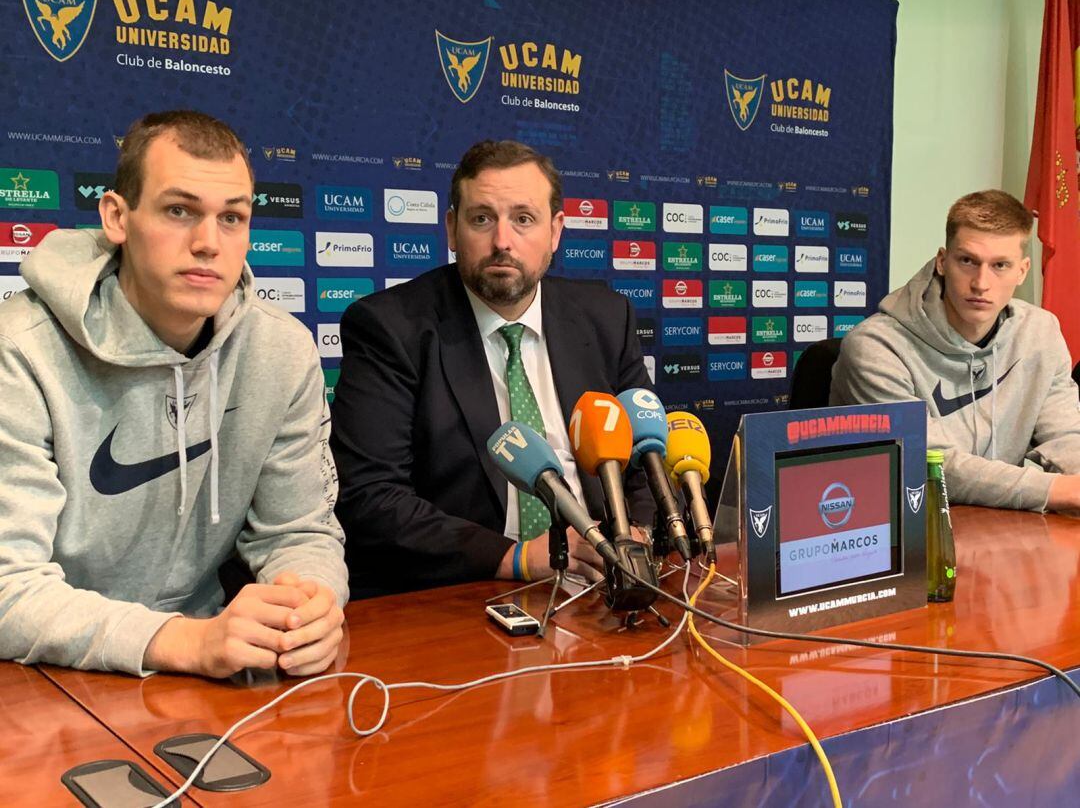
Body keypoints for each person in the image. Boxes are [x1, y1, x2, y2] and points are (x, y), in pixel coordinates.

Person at [0, 110, 347, 677]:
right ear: (118, 216)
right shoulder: (19, 347)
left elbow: (300, 532)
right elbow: (6, 587)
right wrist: (182, 640)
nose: (209, 243)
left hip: (206, 671)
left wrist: (309, 603)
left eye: (232, 217)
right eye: (179, 211)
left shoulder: (282, 351)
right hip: (39, 676)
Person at [331, 139, 654, 598]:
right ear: (451, 228)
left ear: (556, 231)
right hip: (469, 589)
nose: (503, 241)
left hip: (604, 583)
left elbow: (645, 462)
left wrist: (634, 536)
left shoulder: (606, 318)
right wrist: (516, 558)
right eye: (482, 218)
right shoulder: (391, 328)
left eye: (524, 219)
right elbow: (371, 496)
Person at [831, 189, 1080, 511]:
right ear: (942, 261)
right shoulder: (876, 347)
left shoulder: (1040, 332)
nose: (981, 283)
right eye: (967, 261)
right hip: (894, 529)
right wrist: (1058, 490)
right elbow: (928, 463)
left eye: (1000, 265)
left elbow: (1065, 434)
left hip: (1000, 528)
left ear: (1023, 270)